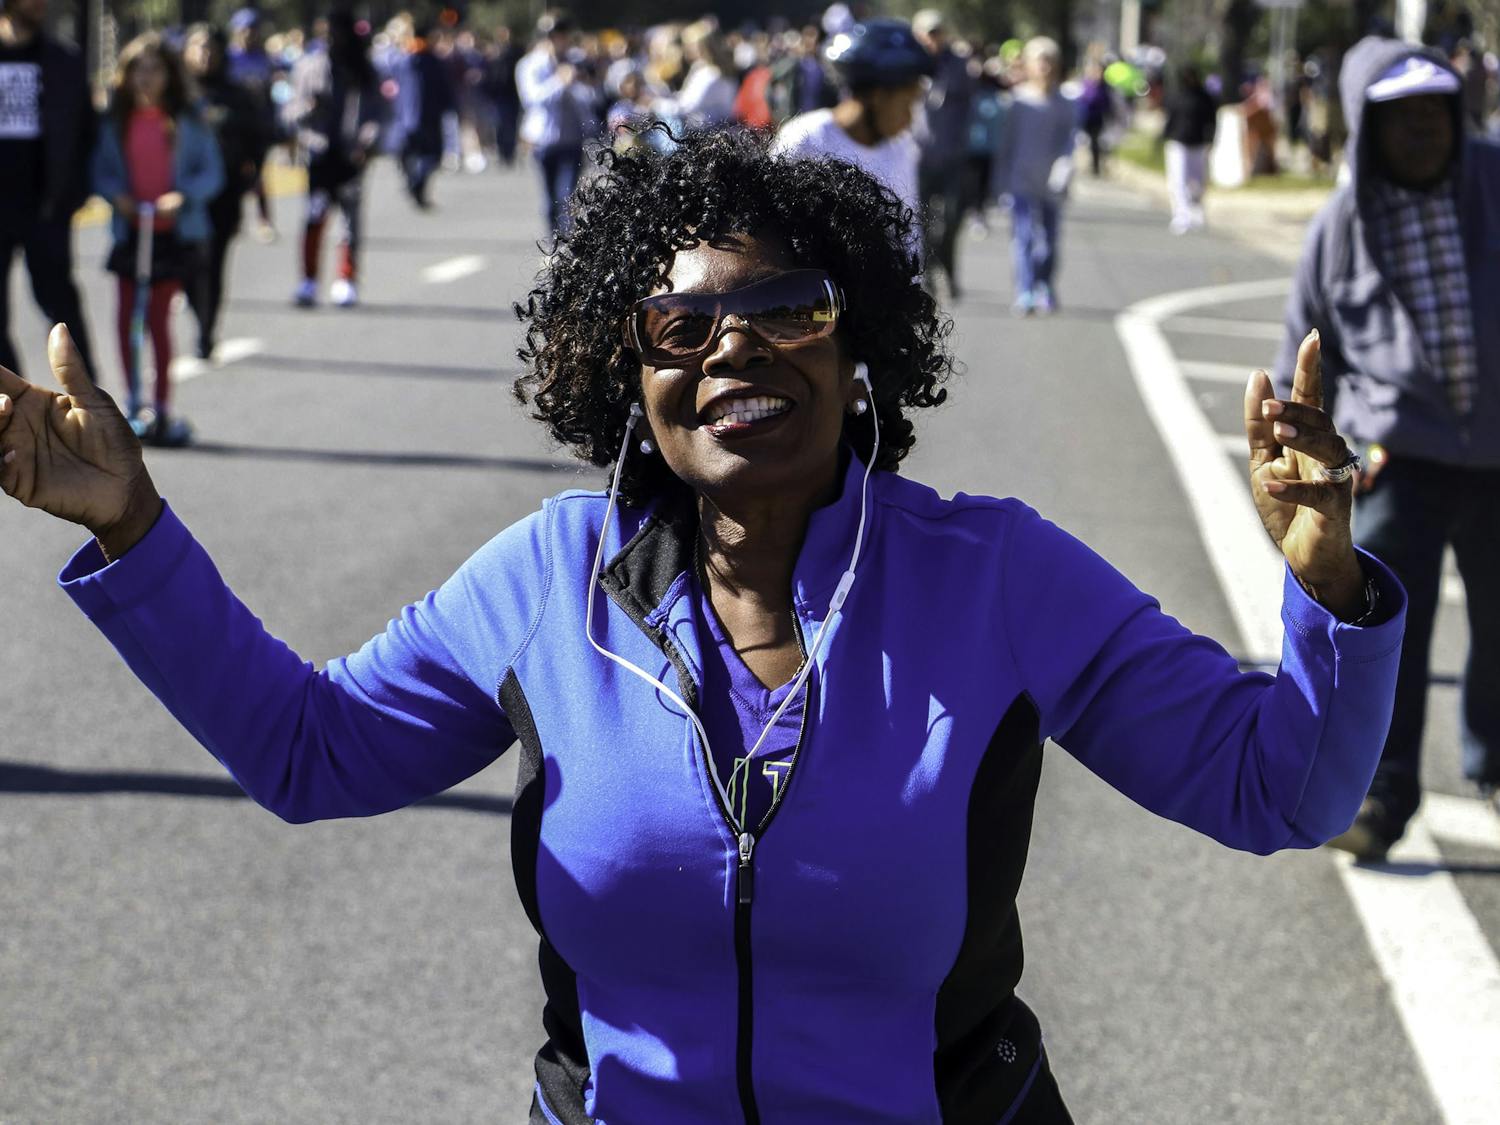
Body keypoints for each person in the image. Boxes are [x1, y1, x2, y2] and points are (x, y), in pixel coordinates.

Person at [0, 126, 1404, 1123]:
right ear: (632, 379)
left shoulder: (997, 575)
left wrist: (1330, 581)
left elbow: (1277, 784)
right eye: (682, 326)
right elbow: (311, 751)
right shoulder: (548, 576)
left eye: (788, 309)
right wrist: (135, 531)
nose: (735, 344)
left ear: (860, 361)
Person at [1276, 36, 1500, 857]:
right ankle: (1381, 796)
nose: (1423, 130)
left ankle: (1494, 762)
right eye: (1401, 117)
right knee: (1387, 637)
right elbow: (1302, 351)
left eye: (1436, 112)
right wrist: (1295, 452)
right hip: (1399, 462)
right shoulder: (1340, 226)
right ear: (1369, 127)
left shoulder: (1494, 181)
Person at [91, 32, 223, 447]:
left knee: (158, 321)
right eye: (137, 71)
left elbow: (210, 171)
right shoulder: (117, 122)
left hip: (170, 235)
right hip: (132, 233)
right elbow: (102, 170)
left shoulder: (187, 120)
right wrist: (118, 197)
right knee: (126, 318)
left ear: (169, 75)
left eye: (154, 70)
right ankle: (131, 404)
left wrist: (183, 197)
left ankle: (162, 407)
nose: (145, 79)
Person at [0, 0, 98, 383]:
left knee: (61, 308)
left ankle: (91, 405)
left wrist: (72, 197)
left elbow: (86, 133)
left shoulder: (63, 61)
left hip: (46, 210)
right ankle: (15, 409)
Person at [774, 18, 931, 230]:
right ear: (877, 96)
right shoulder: (804, 139)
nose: (910, 118)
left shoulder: (902, 150)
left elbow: (909, 236)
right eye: (906, 103)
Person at [183, 24, 270, 361]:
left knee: (214, 264)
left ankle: (206, 331)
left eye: (211, 48)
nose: (205, 54)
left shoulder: (237, 95)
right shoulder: (177, 95)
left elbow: (258, 139)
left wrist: (251, 175)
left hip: (224, 194)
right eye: (197, 47)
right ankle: (196, 308)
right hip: (183, 197)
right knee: (187, 267)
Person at [286, 10, 382, 309]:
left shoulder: (364, 70)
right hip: (318, 156)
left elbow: (377, 114)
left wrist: (366, 142)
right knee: (314, 218)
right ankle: (308, 281)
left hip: (351, 158)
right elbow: (289, 113)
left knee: (349, 223)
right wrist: (310, 109)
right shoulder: (307, 67)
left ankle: (347, 279)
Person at [994, 37, 1077, 316]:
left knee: (1050, 241)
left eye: (1049, 60)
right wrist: (1001, 182)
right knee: (1024, 237)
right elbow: (1005, 144)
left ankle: (1045, 285)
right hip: (1022, 180)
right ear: (1028, 65)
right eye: (1038, 60)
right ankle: (1025, 289)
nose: (1044, 66)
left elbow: (1069, 141)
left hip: (1052, 183)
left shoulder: (1066, 102)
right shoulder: (1017, 101)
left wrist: (1064, 169)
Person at [911, 9, 974, 300]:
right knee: (919, 223)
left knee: (950, 221)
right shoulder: (909, 65)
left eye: (938, 33)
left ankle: (947, 270)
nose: (933, 39)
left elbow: (968, 103)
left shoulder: (959, 65)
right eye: (928, 33)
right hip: (917, 159)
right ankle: (926, 276)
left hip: (951, 157)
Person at [516, 10, 594, 235]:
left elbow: (591, 97)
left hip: (571, 137)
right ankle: (553, 238)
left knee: (568, 194)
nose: (557, 41)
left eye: (561, 35)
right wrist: (559, 81)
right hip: (543, 139)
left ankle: (568, 239)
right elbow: (532, 99)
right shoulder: (530, 65)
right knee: (549, 198)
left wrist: (580, 81)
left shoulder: (577, 61)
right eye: (552, 36)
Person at [391, 20, 458, 209]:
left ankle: (415, 184)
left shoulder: (404, 59)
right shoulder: (429, 60)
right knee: (430, 155)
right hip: (425, 117)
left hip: (409, 118)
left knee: (414, 155)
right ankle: (415, 184)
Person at [226, 7, 278, 243]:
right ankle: (235, 219)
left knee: (258, 175)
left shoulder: (265, 59)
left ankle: (264, 220)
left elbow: (272, 94)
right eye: (244, 30)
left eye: (253, 30)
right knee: (235, 173)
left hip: (259, 127)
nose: (249, 34)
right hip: (234, 128)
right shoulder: (228, 58)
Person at [1161, 64, 1218, 235]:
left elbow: (1212, 121)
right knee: (1178, 181)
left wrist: (1210, 140)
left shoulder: (1204, 98)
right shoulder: (1175, 97)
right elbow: (1169, 119)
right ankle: (1181, 215)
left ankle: (1197, 211)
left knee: (1197, 182)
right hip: (1178, 143)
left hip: (1198, 143)